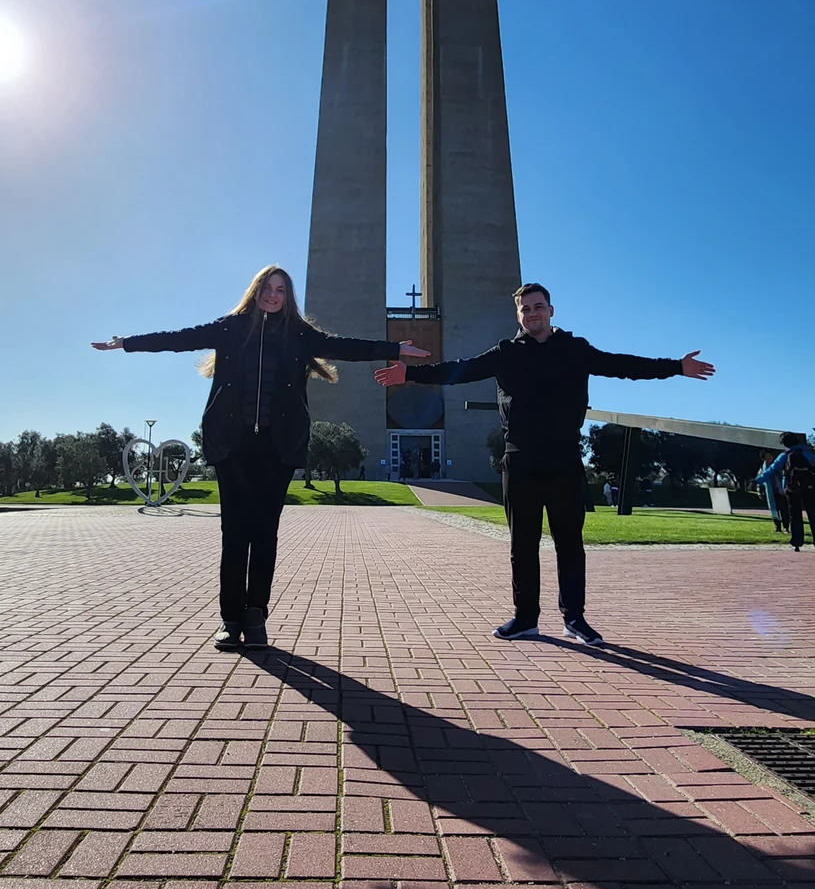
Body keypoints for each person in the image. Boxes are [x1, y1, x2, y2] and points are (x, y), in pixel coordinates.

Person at [93, 265, 428, 650]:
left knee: (265, 533)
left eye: (280, 290)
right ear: (256, 291)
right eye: (268, 288)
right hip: (232, 446)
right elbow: (178, 338)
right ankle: (230, 619)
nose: (273, 295)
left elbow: (345, 346)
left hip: (277, 447)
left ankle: (256, 617)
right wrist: (128, 342)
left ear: (288, 296)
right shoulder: (230, 328)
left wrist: (394, 348)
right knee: (234, 534)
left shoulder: (300, 335)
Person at [376, 282, 714, 644]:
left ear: (551, 311)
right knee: (523, 545)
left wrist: (677, 366)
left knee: (570, 544)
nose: (532, 314)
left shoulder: (575, 350)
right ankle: (525, 619)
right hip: (520, 460)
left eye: (538, 307)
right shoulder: (506, 352)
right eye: (525, 309)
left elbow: (623, 366)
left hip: (565, 461)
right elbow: (461, 370)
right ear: (518, 315)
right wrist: (410, 374)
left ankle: (575, 620)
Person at [756, 433, 815, 551]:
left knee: (795, 515)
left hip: (791, 489)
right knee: (813, 515)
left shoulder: (784, 456)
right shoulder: (807, 454)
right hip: (809, 488)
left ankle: (797, 543)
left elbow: (771, 470)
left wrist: (758, 480)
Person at [757, 448, 790, 535]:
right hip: (771, 492)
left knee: (784, 510)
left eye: (770, 455)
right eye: (767, 456)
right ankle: (777, 527)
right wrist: (760, 492)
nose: (769, 457)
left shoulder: (778, 465)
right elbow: (760, 481)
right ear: (763, 458)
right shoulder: (762, 469)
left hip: (781, 491)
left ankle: (786, 528)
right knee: (774, 510)